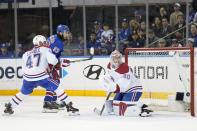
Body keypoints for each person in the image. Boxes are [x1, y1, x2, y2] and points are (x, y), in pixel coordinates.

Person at [3, 35, 59, 115]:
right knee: (53, 84)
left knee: (24, 93)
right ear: (40, 42)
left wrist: (29, 75)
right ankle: (50, 103)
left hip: (29, 77)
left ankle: (10, 106)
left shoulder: (26, 53)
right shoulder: (45, 49)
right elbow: (52, 61)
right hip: (40, 76)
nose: (45, 43)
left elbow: (24, 67)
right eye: (44, 42)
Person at [99, 50, 152, 117]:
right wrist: (108, 85)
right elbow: (111, 77)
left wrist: (113, 89)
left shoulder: (124, 67)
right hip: (122, 90)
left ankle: (141, 109)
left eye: (118, 58)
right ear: (111, 59)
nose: (117, 60)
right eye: (115, 58)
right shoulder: (109, 66)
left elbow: (124, 86)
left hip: (133, 89)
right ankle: (137, 105)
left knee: (124, 106)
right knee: (115, 104)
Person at [46, 24, 79, 114]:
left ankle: (52, 101)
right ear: (60, 33)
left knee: (56, 80)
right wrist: (60, 63)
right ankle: (47, 104)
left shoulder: (54, 37)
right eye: (66, 32)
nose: (67, 34)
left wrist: (60, 62)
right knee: (53, 82)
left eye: (68, 32)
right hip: (46, 65)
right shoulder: (58, 43)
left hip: (47, 64)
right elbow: (51, 58)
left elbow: (52, 57)